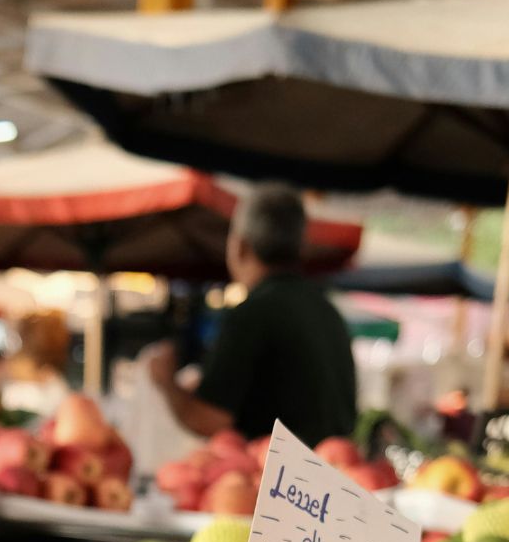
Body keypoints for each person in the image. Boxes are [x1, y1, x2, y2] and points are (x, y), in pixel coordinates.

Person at [145, 182, 356, 444]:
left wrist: (165, 381)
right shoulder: (327, 310)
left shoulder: (251, 314)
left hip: (275, 481)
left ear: (240, 246)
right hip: (334, 473)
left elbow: (208, 419)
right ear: (300, 247)